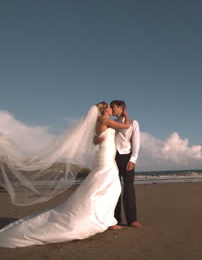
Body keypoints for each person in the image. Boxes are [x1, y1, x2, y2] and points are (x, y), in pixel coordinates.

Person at [0, 102, 130, 248]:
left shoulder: (99, 122)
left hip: (104, 155)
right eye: (110, 107)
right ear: (106, 110)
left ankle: (107, 219)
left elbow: (96, 140)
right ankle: (106, 220)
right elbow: (126, 127)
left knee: (106, 187)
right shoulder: (105, 120)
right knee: (110, 187)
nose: (112, 109)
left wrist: (96, 139)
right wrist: (126, 115)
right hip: (105, 157)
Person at [109, 100, 142, 228]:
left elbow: (136, 142)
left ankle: (132, 219)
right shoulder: (111, 123)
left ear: (121, 107)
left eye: (114, 107)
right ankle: (115, 219)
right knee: (114, 189)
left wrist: (133, 159)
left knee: (128, 188)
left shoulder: (134, 123)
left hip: (126, 157)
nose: (112, 110)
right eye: (111, 107)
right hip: (112, 158)